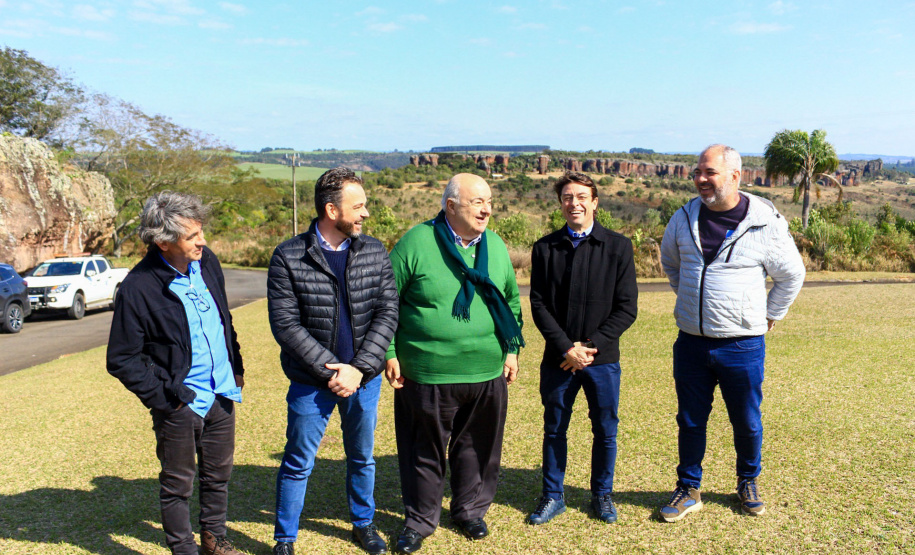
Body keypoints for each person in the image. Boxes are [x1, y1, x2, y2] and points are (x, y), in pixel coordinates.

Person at [658, 144, 805, 522]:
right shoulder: (683, 217)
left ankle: (747, 481)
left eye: (710, 173)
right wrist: (695, 302)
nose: (701, 180)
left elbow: (792, 274)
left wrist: (772, 313)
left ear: (736, 176)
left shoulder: (764, 221)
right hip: (691, 341)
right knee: (690, 420)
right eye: (698, 173)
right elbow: (672, 265)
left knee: (746, 419)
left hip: (742, 344)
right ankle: (688, 488)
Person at [384, 173, 523, 553]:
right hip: (426, 372)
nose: (487, 209)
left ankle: (469, 511)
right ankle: (420, 520)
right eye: (478, 201)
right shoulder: (417, 241)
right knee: (422, 449)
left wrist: (512, 350)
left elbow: (510, 300)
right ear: (450, 206)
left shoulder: (494, 245)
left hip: (486, 372)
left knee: (478, 448)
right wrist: (390, 353)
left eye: (490, 201)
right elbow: (385, 302)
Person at [267, 167, 399, 555]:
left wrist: (358, 369)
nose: (366, 214)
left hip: (364, 379)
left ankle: (363, 523)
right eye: (358, 206)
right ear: (331, 209)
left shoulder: (374, 250)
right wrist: (333, 370)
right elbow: (286, 326)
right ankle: (284, 540)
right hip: (312, 382)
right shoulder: (288, 256)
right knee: (297, 462)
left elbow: (387, 311)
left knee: (362, 457)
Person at [107, 191, 246, 555]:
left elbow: (223, 319)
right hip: (180, 405)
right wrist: (167, 400)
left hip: (222, 395)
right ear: (163, 242)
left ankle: (215, 540)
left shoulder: (207, 261)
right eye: (192, 236)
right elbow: (122, 358)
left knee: (218, 478)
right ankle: (183, 549)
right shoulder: (138, 288)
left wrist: (237, 367)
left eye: (201, 232)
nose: (203, 241)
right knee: (177, 485)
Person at [526, 171, 638, 526]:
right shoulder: (545, 247)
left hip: (602, 361)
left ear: (594, 202)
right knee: (554, 428)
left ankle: (602, 495)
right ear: (561, 204)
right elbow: (539, 304)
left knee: (605, 430)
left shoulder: (618, 246)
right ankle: (552, 496)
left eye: (580, 197)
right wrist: (565, 349)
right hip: (558, 361)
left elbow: (627, 307)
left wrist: (589, 348)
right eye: (567, 198)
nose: (574, 203)